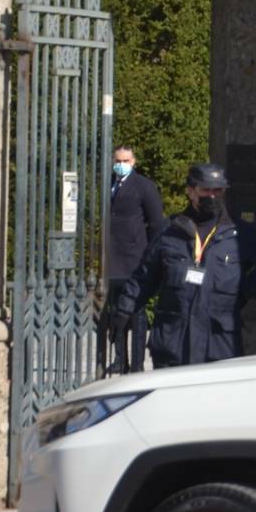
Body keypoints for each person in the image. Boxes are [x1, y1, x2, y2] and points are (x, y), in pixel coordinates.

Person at [109, 164, 256, 369]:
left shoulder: (239, 234)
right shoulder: (170, 231)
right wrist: (123, 310)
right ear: (190, 191)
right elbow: (144, 276)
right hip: (173, 345)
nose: (212, 196)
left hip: (218, 348)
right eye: (206, 190)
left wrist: (244, 290)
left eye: (218, 190)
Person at [103, 143, 163, 374]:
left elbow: (156, 222)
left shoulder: (144, 186)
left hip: (134, 258)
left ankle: (137, 363)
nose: (121, 165)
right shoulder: (109, 184)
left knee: (136, 313)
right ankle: (120, 359)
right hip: (113, 258)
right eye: (118, 161)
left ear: (134, 162)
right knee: (117, 311)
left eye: (126, 161)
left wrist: (149, 252)